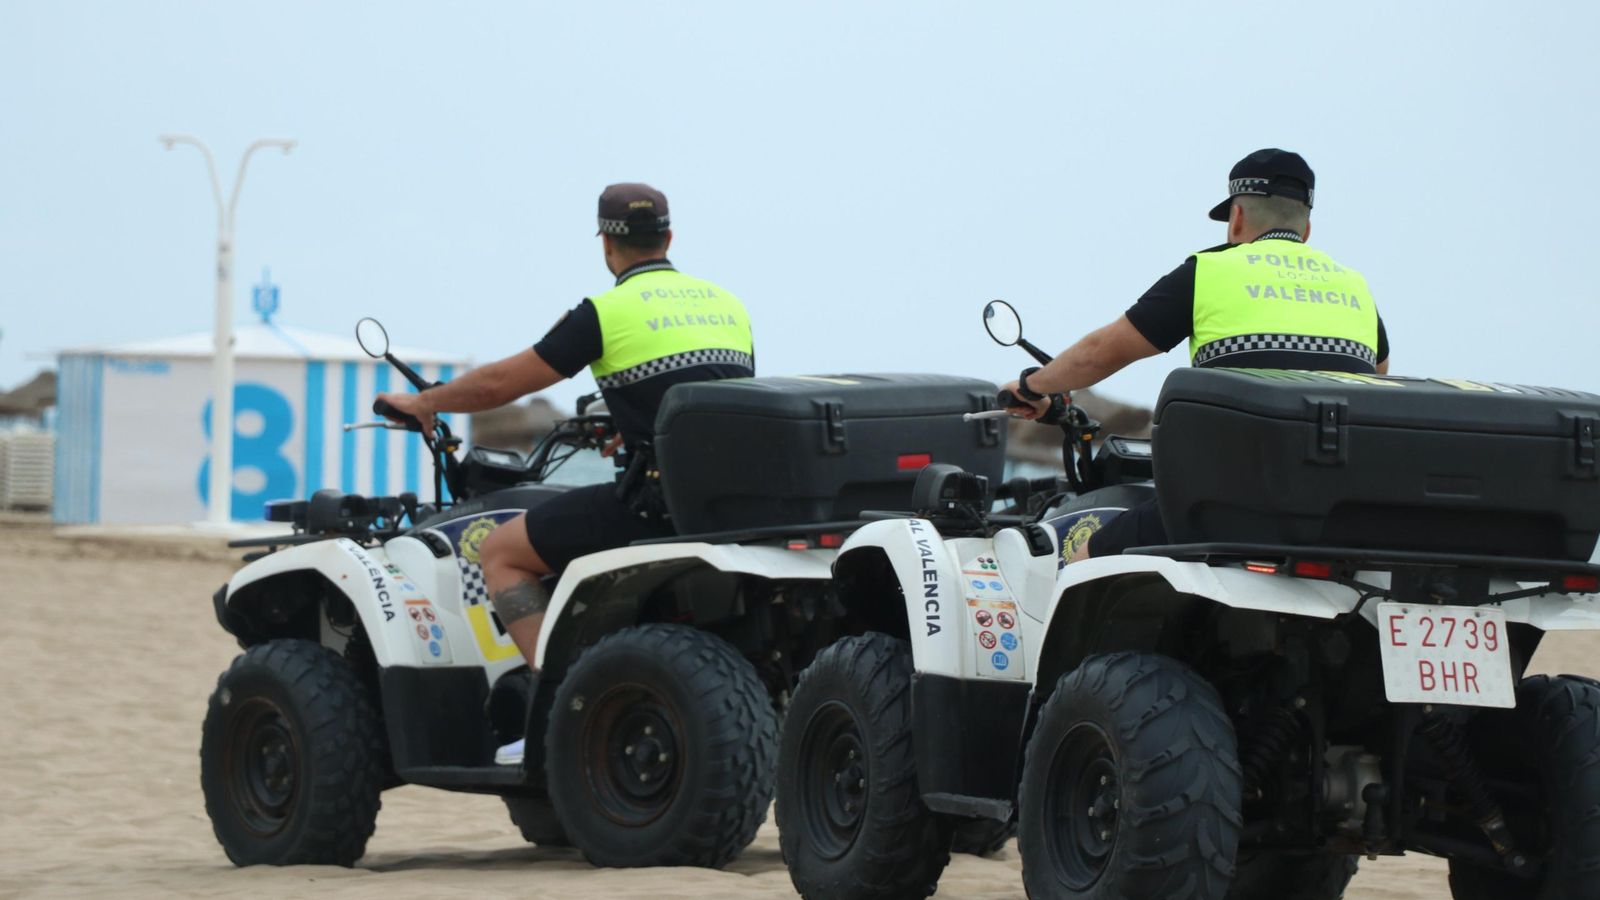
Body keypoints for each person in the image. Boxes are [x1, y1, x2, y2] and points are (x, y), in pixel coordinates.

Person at [375, 183, 754, 764]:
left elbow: (505, 384)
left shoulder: (603, 313)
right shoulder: (728, 306)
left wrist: (427, 404)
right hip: (729, 504)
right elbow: (702, 408)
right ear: (670, 238)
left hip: (655, 504)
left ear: (606, 245)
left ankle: (555, 712)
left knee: (501, 554)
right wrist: (627, 426)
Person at [1000, 149, 1389, 562]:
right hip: (1333, 515)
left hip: (1228, 505)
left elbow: (1101, 353)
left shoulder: (1210, 272)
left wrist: (1031, 386)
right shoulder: (1355, 288)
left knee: (1079, 559)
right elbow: (1375, 382)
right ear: (1306, 227)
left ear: (1236, 217)